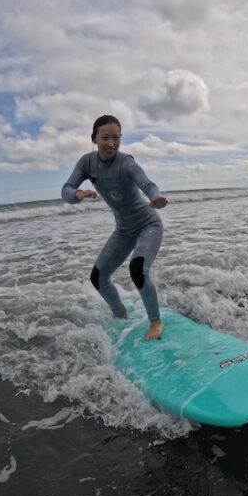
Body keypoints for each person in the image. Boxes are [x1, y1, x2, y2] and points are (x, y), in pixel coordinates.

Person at [62, 114, 168, 340]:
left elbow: (146, 182)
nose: (111, 143)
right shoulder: (87, 163)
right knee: (98, 277)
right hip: (124, 230)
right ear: (94, 139)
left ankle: (156, 323)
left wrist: (155, 196)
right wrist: (77, 194)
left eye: (116, 138)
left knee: (138, 269)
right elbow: (66, 189)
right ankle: (121, 316)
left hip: (148, 224)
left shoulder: (126, 162)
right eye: (105, 138)